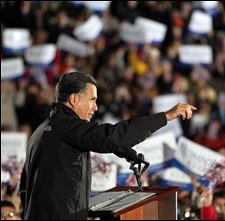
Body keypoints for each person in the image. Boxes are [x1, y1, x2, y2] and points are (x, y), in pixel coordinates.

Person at [19, 71, 197, 220]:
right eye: (92, 100)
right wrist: (165, 116)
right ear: (74, 99)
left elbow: (24, 189)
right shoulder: (66, 127)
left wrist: (127, 152)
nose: (95, 107)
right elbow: (111, 137)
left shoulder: (41, 131)